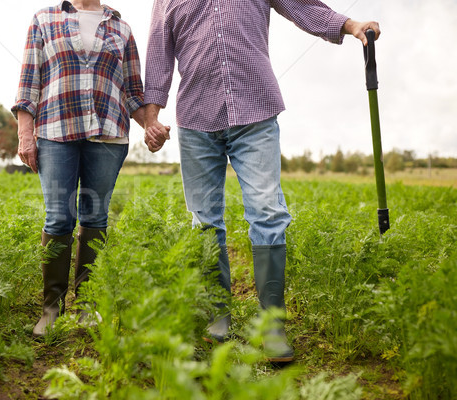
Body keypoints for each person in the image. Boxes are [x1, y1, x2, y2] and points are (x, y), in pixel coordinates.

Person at [143, 0, 380, 362]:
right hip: (196, 118)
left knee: (267, 212)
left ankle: (272, 325)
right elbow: (159, 54)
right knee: (204, 222)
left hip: (255, 112)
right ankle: (216, 319)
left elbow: (304, 7)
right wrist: (151, 118)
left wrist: (351, 25)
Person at [12, 0, 169, 337]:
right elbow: (29, 84)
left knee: (95, 217)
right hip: (56, 132)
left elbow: (132, 92)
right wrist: (26, 135)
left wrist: (150, 125)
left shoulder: (121, 29)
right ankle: (51, 308)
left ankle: (87, 306)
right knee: (58, 217)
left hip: (108, 134)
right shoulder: (44, 19)